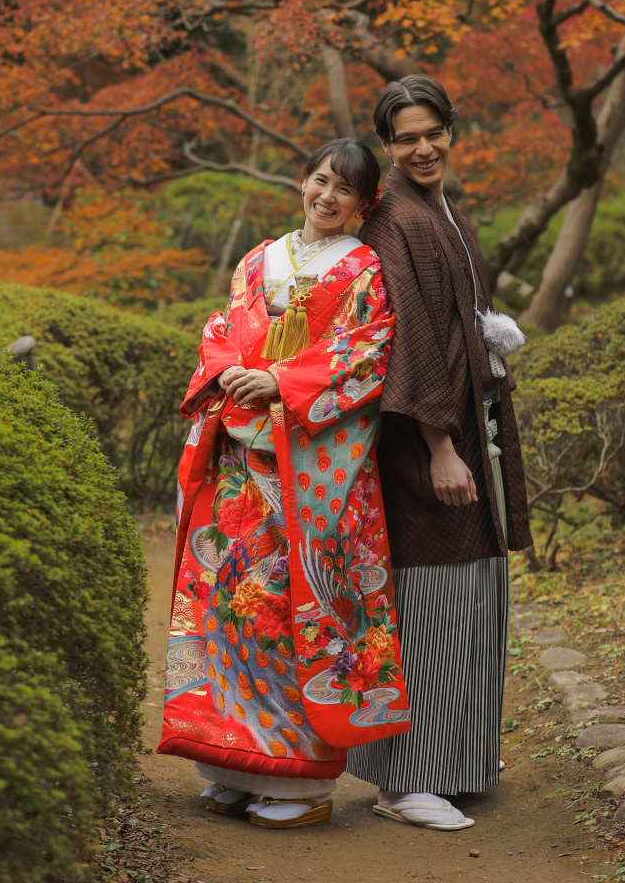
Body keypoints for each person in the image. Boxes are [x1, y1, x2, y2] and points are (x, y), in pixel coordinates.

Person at [157, 139, 412, 830]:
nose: (327, 197)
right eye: (321, 181)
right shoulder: (257, 259)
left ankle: (299, 785)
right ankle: (232, 761)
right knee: (225, 606)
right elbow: (221, 328)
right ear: (304, 181)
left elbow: (366, 352)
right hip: (240, 460)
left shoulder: (363, 269)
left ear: (364, 206)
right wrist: (229, 373)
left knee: (283, 610)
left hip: (306, 471)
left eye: (346, 192)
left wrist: (280, 380)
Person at [347, 76, 533, 832]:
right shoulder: (392, 219)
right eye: (406, 138)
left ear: (451, 131)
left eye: (434, 133)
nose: (423, 148)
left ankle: (458, 759)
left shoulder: (441, 208)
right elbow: (409, 338)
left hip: (465, 426)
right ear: (387, 146)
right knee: (427, 598)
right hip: (428, 440)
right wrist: (438, 445)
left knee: (470, 592)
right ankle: (406, 778)